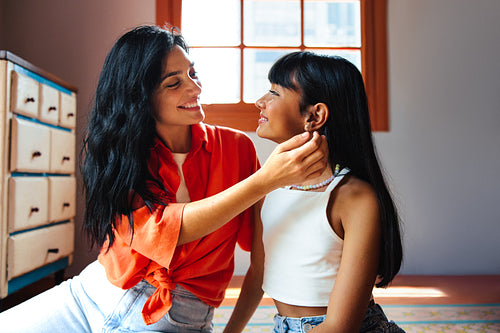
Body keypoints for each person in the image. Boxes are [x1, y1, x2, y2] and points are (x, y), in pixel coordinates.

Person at [0, 26, 328, 332]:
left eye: (192, 73)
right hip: (92, 290)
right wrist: (264, 180)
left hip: (172, 314)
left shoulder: (236, 149)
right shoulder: (122, 156)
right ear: (138, 97)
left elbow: (262, 256)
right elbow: (166, 230)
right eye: (174, 83)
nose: (195, 88)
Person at [224, 52, 404, 333]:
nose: (259, 102)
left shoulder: (355, 198)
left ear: (314, 115)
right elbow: (259, 273)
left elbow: (339, 328)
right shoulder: (266, 188)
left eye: (274, 92)